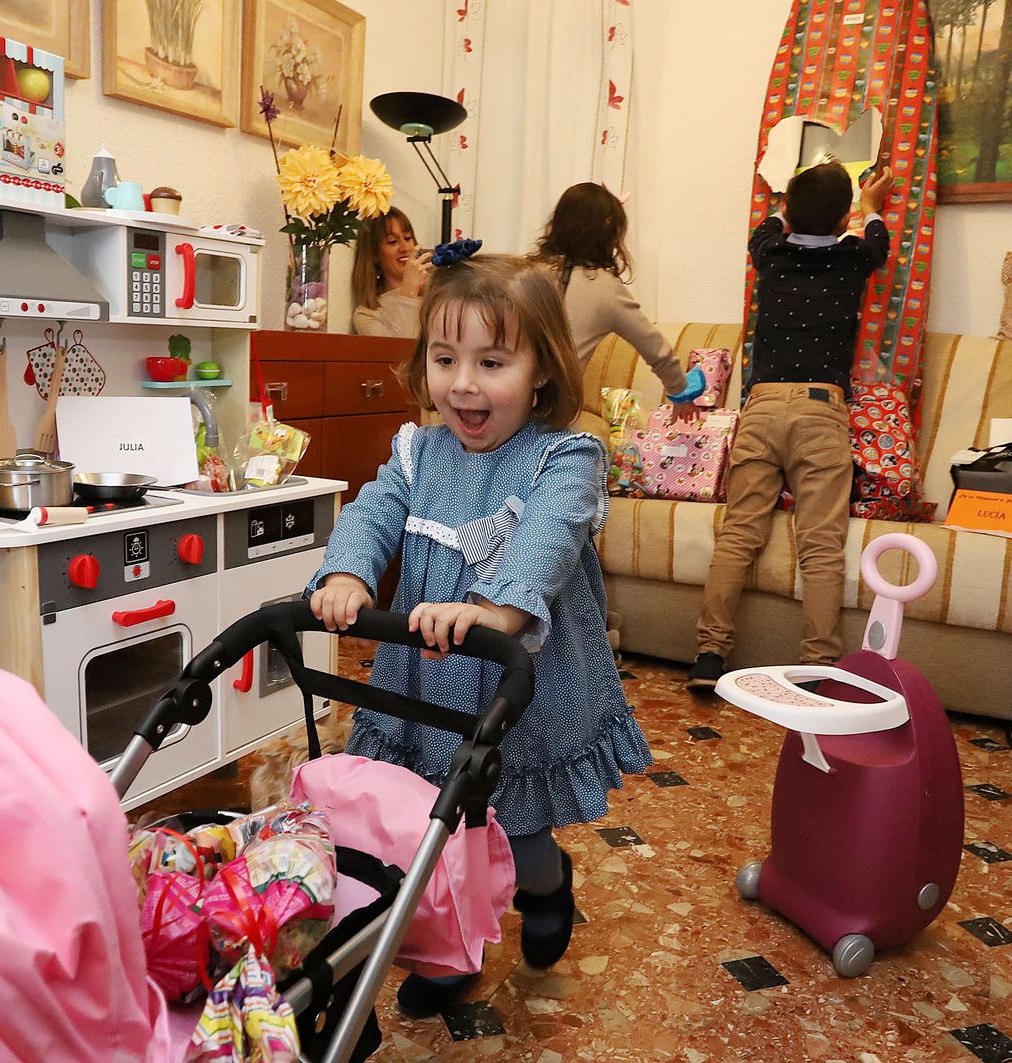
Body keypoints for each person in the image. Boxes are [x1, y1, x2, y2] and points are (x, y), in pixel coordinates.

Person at [309, 247, 651, 1017]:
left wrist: (495, 607)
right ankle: (447, 948)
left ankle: (546, 884)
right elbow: (370, 513)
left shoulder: (563, 458)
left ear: (542, 372)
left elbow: (550, 538)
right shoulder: (416, 451)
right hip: (424, 681)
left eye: (492, 360)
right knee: (431, 822)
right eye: (444, 357)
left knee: (512, 826)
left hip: (514, 684)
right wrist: (348, 574)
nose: (463, 382)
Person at [687, 163, 894, 690]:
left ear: (786, 211)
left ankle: (709, 656)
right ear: (844, 216)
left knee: (739, 535)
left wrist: (786, 204)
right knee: (821, 544)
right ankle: (821, 666)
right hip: (820, 410)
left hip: (762, 406)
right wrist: (872, 207)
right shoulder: (853, 257)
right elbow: (878, 243)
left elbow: (765, 230)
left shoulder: (771, 255)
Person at [530, 182, 702, 418]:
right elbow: (655, 347)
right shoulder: (603, 287)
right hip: (554, 416)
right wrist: (681, 391)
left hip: (504, 406)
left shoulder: (526, 272)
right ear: (608, 234)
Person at [350, 207, 434, 337]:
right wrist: (408, 294)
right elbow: (403, 352)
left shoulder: (436, 292)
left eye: (407, 238)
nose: (405, 248)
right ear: (373, 254)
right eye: (392, 241)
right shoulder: (367, 314)